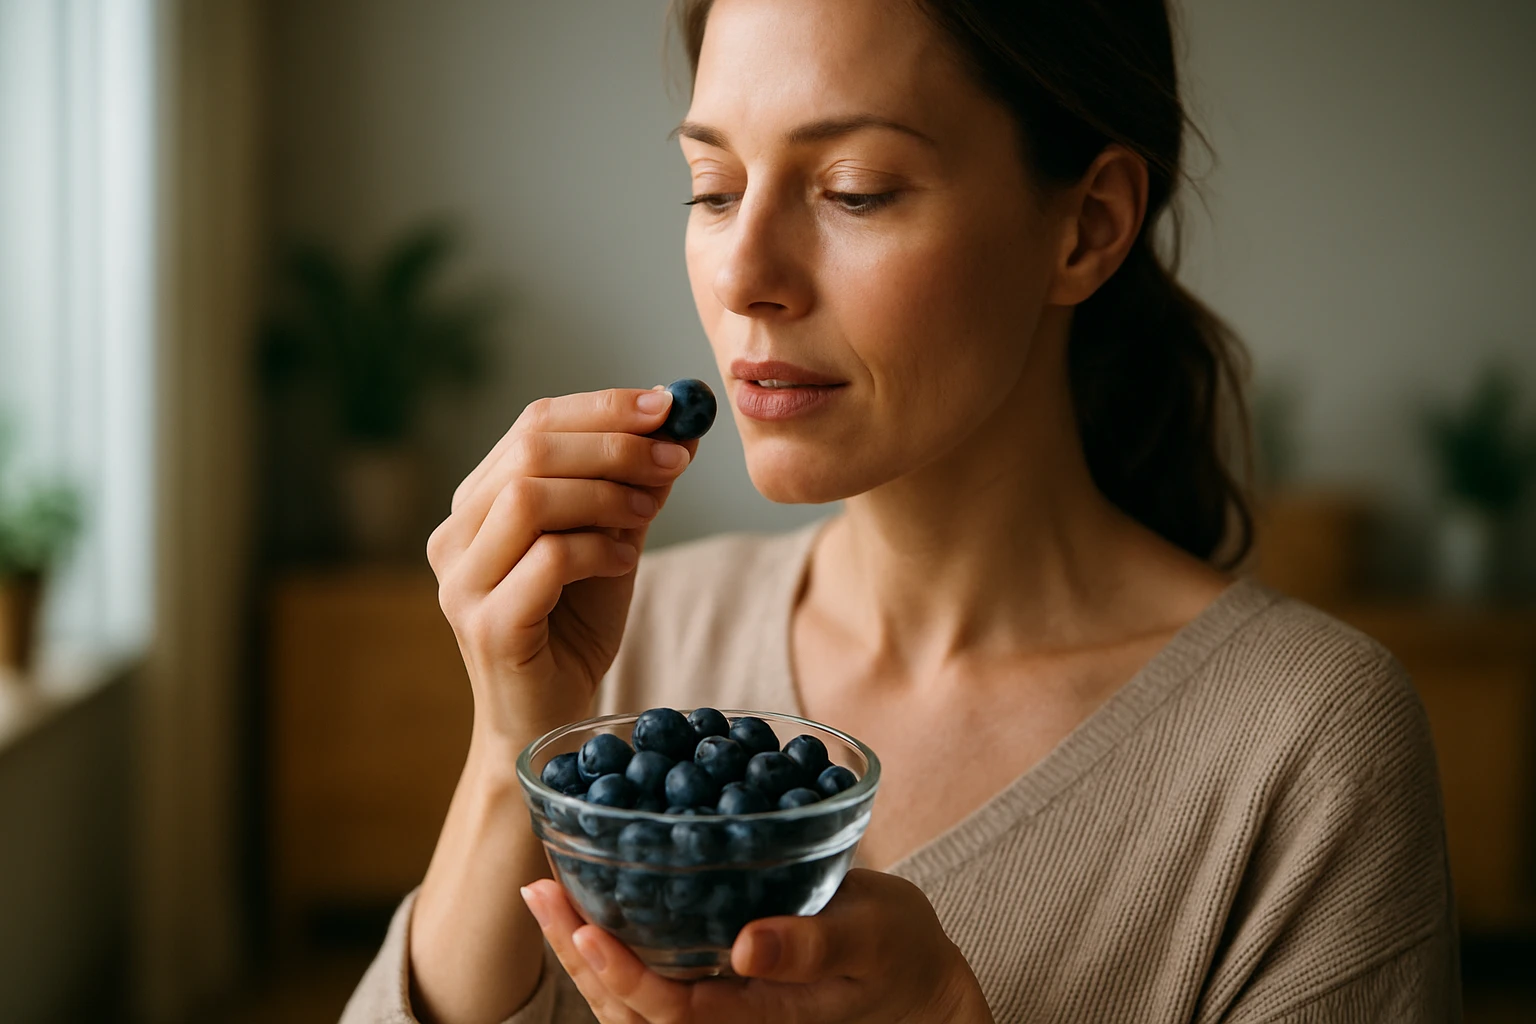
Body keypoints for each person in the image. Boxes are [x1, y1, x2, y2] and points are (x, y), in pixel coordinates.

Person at [344, 0, 1460, 1021]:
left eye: (854, 190)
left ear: (1087, 226)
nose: (742, 274)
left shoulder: (1305, 747)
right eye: (714, 188)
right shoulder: (626, 649)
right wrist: (511, 745)